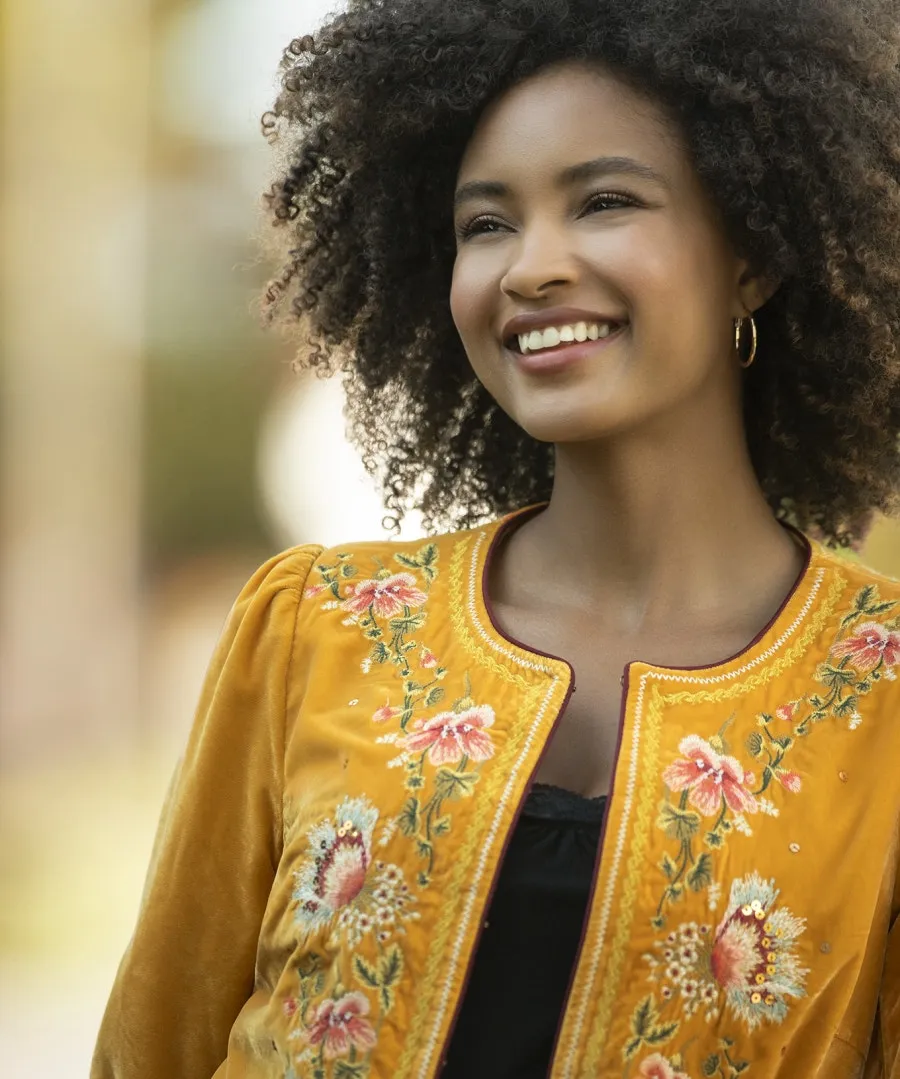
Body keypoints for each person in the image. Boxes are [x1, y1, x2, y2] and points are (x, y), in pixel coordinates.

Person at [92, 0, 900, 1076]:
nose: (531, 267)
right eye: (487, 223)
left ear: (753, 252)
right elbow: (154, 1046)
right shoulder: (310, 632)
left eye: (605, 201)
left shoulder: (883, 696)